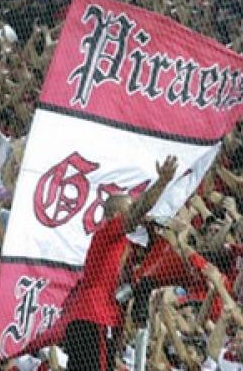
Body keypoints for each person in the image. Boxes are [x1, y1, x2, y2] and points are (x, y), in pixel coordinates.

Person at [62, 155, 178, 371]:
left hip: (97, 319)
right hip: (94, 316)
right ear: (116, 215)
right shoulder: (106, 234)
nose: (136, 214)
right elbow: (139, 210)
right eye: (130, 209)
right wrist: (162, 182)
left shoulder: (124, 245)